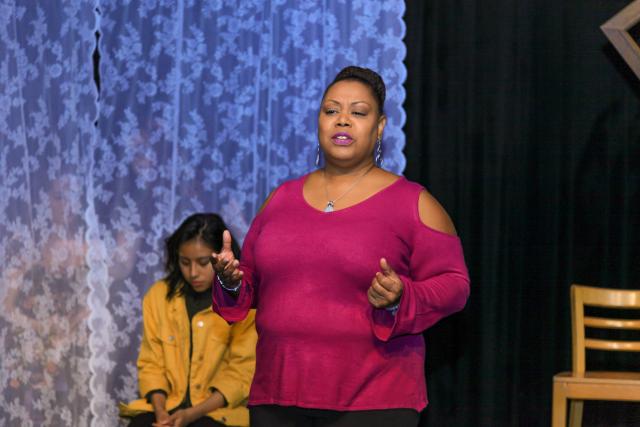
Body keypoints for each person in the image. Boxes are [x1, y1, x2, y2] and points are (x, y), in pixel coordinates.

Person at [210, 66, 470, 427]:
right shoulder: (280, 199)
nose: (342, 120)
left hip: (374, 400)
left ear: (379, 127)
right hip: (277, 395)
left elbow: (455, 285)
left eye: (358, 112)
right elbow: (251, 284)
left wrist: (402, 297)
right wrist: (231, 280)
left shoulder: (413, 202)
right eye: (331, 111)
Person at [119, 213, 257, 427]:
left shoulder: (243, 300)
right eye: (185, 262)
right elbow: (151, 364)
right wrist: (161, 413)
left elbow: (242, 373)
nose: (193, 273)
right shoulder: (158, 296)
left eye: (203, 262)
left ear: (223, 256)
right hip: (167, 406)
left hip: (218, 412)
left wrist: (191, 414)